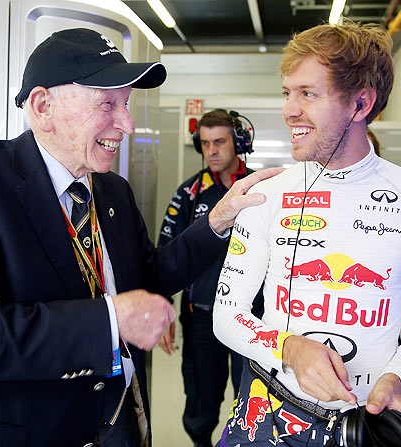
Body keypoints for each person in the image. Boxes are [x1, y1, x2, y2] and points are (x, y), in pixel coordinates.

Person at [0, 28, 279, 447]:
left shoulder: (112, 192)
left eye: (126, 104)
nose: (126, 123)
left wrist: (218, 219)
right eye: (108, 103)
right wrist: (110, 321)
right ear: (43, 106)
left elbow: (149, 276)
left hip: (118, 425)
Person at [212, 22, 401, 447]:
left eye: (308, 94)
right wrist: (287, 347)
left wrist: (397, 377)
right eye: (287, 93)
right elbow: (226, 313)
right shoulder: (265, 194)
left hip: (366, 421)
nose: (289, 110)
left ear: (360, 104)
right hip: (264, 412)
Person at [157, 109, 264, 447]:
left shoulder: (264, 189)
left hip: (254, 317)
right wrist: (164, 309)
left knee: (254, 399)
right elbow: (166, 254)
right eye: (204, 143)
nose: (212, 151)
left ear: (239, 144)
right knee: (202, 400)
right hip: (201, 317)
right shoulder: (189, 193)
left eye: (220, 142)